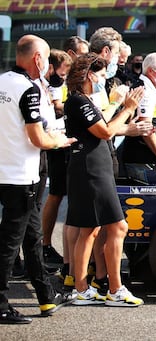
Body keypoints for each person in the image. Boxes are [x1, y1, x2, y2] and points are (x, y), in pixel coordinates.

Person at [0, 35, 75, 324]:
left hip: (8, 171)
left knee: (32, 237)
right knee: (10, 241)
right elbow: (37, 138)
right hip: (21, 175)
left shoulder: (3, 81)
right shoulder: (28, 89)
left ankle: (45, 295)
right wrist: (59, 140)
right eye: (44, 57)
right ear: (37, 59)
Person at [65, 53, 145, 306]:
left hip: (94, 166)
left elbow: (106, 127)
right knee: (116, 227)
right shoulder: (79, 101)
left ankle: (85, 288)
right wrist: (128, 108)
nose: (103, 79)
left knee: (90, 230)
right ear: (89, 75)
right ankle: (112, 288)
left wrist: (125, 119)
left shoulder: (83, 100)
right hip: (91, 168)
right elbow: (105, 130)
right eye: (100, 75)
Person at [41, 49, 73, 268]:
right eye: (61, 75)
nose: (63, 79)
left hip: (60, 141)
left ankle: (42, 248)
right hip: (52, 146)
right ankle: (42, 246)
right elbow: (56, 109)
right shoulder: (45, 86)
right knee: (54, 195)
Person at [120, 52, 156, 167]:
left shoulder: (151, 89)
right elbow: (145, 126)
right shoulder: (144, 90)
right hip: (141, 157)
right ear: (151, 71)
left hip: (146, 155)